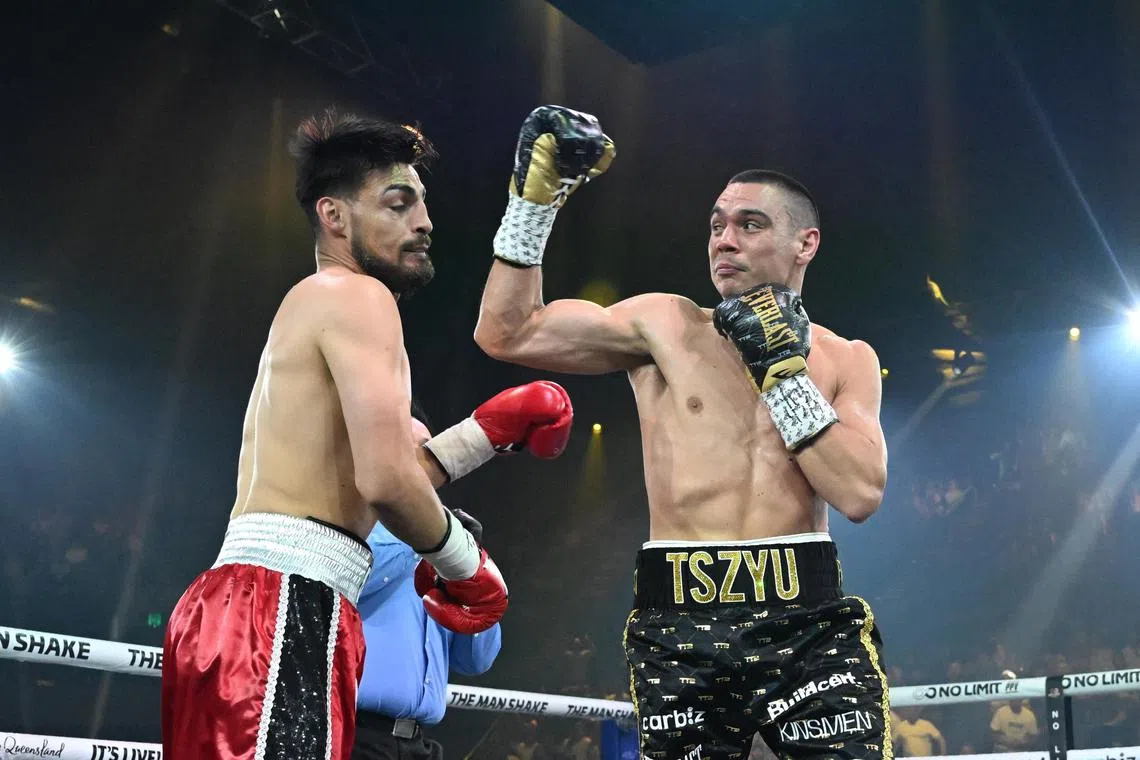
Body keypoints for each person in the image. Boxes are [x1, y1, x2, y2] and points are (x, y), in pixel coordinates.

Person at [475, 106, 891, 760]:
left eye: (749, 224)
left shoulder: (846, 359)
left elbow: (860, 493)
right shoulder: (664, 327)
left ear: (804, 243)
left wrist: (780, 369)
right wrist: (532, 205)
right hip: (681, 624)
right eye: (717, 225)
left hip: (807, 621)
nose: (724, 239)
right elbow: (506, 332)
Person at [162, 110, 572, 760]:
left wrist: (484, 435)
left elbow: (368, 476)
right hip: (281, 611)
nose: (424, 223)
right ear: (335, 216)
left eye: (423, 204)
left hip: (256, 607)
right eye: (397, 204)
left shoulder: (319, 303)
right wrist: (466, 564)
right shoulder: (359, 298)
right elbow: (386, 481)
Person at [353, 397, 558, 760]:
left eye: (430, 450)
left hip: (417, 743)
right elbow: (354, 584)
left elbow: (476, 661)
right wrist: (425, 536)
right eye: (414, 451)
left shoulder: (439, 548)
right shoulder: (352, 528)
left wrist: (469, 571)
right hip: (352, 734)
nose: (428, 462)